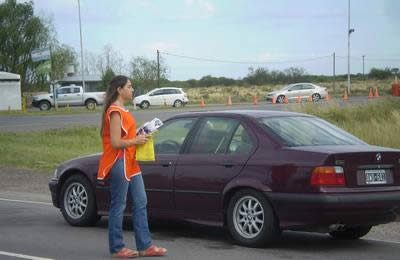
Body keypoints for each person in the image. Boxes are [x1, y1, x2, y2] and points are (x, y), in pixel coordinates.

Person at [97, 75, 167, 258]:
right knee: (118, 205)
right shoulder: (114, 112)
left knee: (141, 202)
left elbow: (125, 136)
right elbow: (114, 142)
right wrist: (136, 139)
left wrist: (140, 133)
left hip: (131, 162)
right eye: (129, 86)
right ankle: (117, 248)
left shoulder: (124, 111)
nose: (132, 89)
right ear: (119, 89)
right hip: (118, 162)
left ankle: (145, 246)